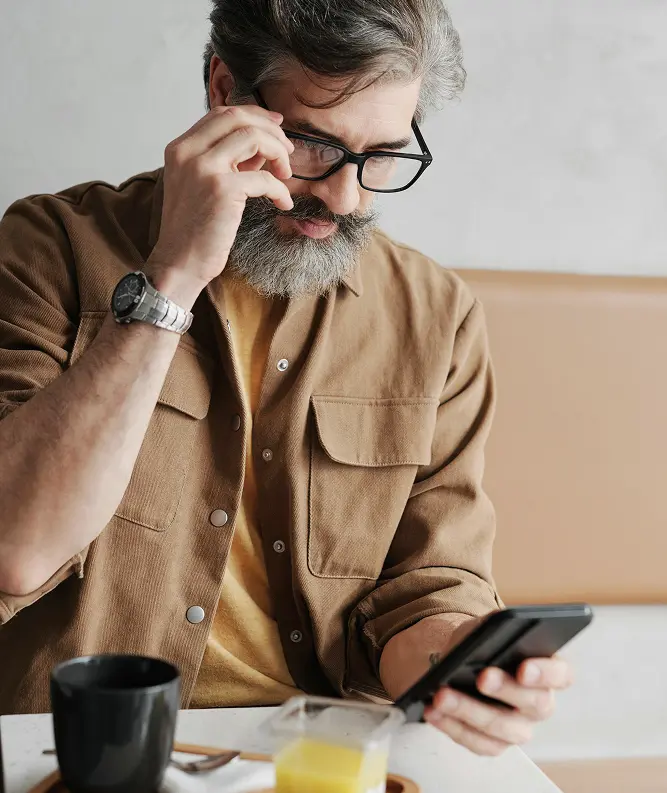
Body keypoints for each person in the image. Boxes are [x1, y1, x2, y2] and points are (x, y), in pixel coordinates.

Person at [0, 0, 573, 755]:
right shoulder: (50, 248)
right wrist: (171, 279)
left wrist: (461, 663)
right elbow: (16, 547)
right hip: (92, 752)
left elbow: (427, 582)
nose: (345, 197)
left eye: (382, 157)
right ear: (224, 89)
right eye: (311, 144)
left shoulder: (436, 315)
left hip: (322, 760)